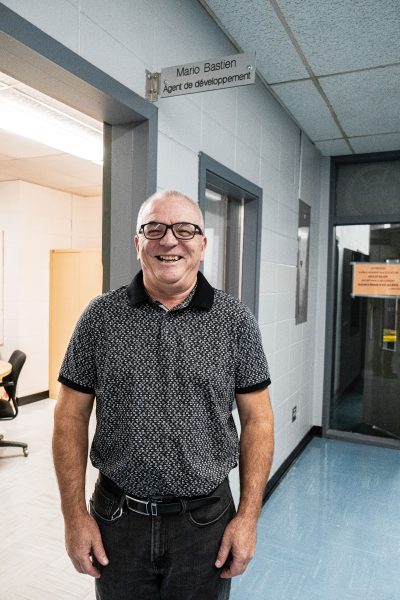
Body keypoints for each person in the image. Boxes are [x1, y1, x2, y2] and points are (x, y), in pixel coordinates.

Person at [53, 190, 274, 600]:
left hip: (205, 527)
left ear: (202, 245)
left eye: (185, 229)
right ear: (138, 244)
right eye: (153, 229)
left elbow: (258, 419)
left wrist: (248, 518)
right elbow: (69, 417)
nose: (169, 240)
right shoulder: (100, 318)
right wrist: (73, 517)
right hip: (116, 523)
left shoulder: (235, 322)